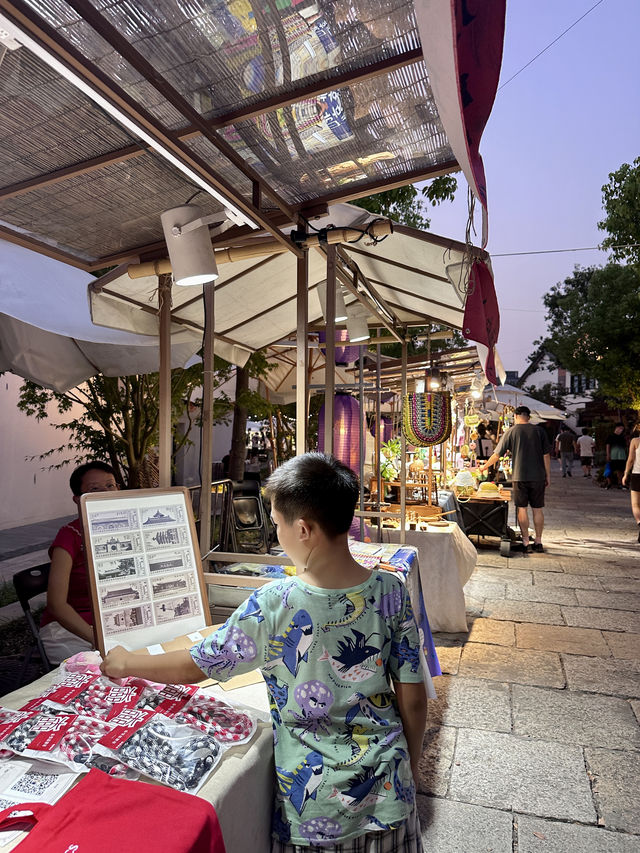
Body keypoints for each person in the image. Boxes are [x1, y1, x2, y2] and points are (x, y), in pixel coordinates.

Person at [103, 453, 427, 852]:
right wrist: (408, 767)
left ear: (304, 529)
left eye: (277, 525)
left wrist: (125, 661)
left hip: (315, 813)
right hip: (390, 790)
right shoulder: (390, 589)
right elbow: (413, 699)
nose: (277, 535)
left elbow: (197, 664)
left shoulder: (274, 603)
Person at [41, 461, 119, 664]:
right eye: (94, 489)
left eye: (110, 485)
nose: (105, 493)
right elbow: (57, 605)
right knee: (96, 671)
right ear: (78, 500)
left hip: (114, 622)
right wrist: (98, 640)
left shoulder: (128, 530)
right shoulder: (70, 535)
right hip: (69, 627)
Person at [478, 405, 551, 553]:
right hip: (538, 476)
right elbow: (546, 456)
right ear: (529, 417)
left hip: (519, 476)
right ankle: (538, 541)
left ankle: (525, 542)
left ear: (516, 417)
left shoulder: (511, 432)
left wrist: (484, 467)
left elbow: (497, 455)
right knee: (537, 509)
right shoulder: (539, 431)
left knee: (522, 508)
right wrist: (547, 475)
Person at [621, 424, 640, 542]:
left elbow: (631, 459)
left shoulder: (635, 441)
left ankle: (639, 523)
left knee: (635, 504)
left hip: (637, 474)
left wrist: (626, 474)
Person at [605, 423, 628, 489]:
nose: (621, 430)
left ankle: (620, 483)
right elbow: (608, 446)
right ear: (616, 428)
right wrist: (608, 454)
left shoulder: (623, 437)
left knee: (620, 470)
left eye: (622, 429)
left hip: (622, 456)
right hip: (613, 456)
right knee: (609, 469)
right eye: (621, 428)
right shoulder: (611, 436)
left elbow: (626, 446)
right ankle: (609, 483)